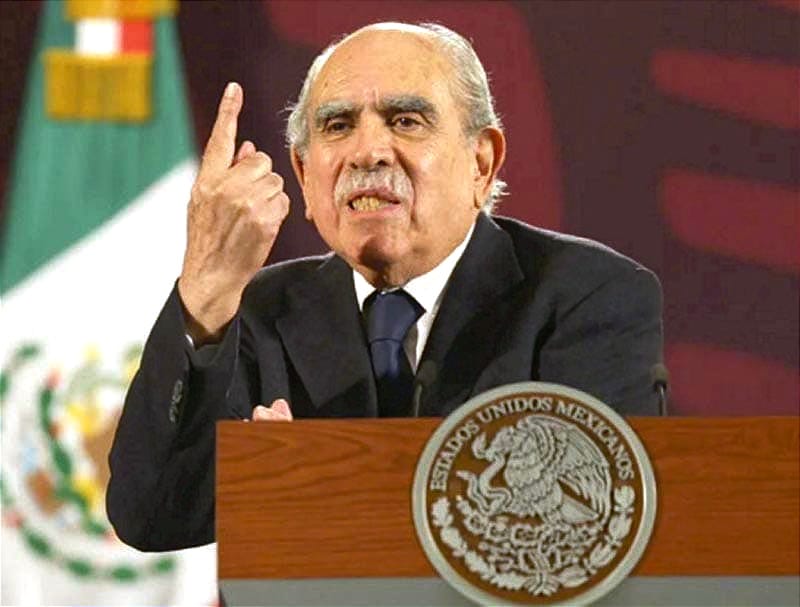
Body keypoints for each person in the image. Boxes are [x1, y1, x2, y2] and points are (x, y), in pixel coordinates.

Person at [107, 22, 663, 551]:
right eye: (338, 125)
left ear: (481, 163)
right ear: (304, 176)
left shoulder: (589, 297)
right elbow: (151, 514)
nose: (367, 152)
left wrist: (322, 484)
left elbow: (592, 527)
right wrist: (205, 289)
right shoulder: (257, 311)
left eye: (406, 121)